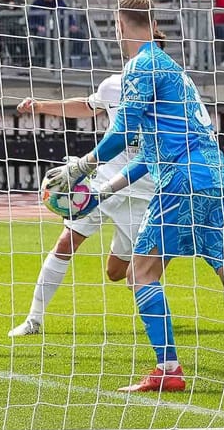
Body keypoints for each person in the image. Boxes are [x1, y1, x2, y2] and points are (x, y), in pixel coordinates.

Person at [51, 0, 224, 394]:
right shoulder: (176, 72)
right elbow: (152, 153)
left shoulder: (139, 67)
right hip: (219, 177)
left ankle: (168, 369)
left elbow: (121, 135)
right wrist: (105, 188)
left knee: (141, 272)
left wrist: (82, 165)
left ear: (119, 24)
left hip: (182, 180)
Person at [13, 71, 181, 337]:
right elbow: (88, 106)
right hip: (104, 182)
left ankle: (152, 266)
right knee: (66, 242)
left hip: (145, 193)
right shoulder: (113, 85)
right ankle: (33, 319)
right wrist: (42, 106)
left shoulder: (171, 89)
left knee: (117, 274)